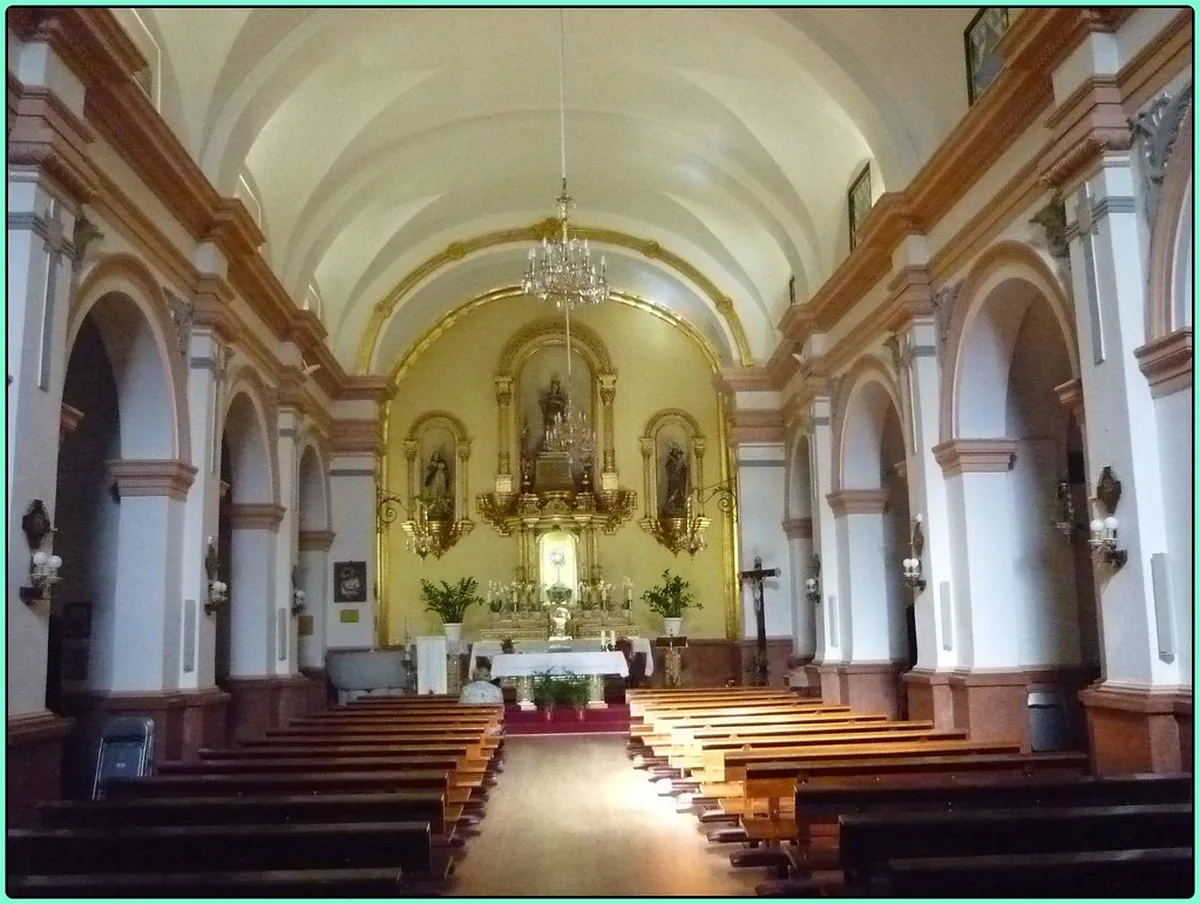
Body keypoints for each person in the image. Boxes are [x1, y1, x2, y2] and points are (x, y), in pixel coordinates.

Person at [661, 442, 689, 517]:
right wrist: (678, 466)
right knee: (673, 492)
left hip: (680, 481)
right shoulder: (671, 460)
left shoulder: (680, 460)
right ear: (672, 452)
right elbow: (671, 469)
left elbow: (684, 470)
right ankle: (671, 507)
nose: (676, 452)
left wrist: (681, 466)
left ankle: (679, 506)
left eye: (677, 451)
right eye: (675, 451)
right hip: (673, 481)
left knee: (680, 493)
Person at [424, 449, 451, 517]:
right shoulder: (432, 463)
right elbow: (429, 471)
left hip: (441, 477)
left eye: (437, 455)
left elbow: (445, 469)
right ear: (433, 456)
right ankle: (435, 499)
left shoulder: (441, 463)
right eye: (435, 455)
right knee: (434, 488)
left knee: (441, 487)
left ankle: (440, 498)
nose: (436, 456)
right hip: (434, 479)